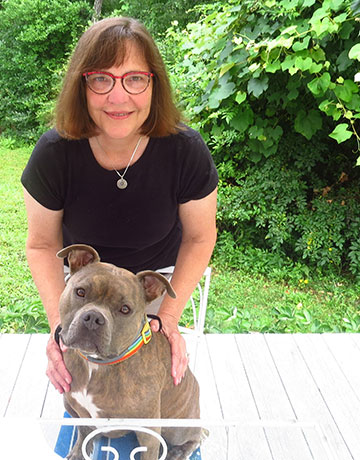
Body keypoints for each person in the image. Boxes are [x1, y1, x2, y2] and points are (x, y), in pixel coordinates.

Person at [21, 16, 218, 394]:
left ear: (153, 84)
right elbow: (42, 244)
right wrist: (57, 326)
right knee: (80, 385)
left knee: (151, 389)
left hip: (153, 284)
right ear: (82, 85)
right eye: (101, 79)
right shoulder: (54, 152)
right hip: (82, 283)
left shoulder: (185, 150)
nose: (118, 96)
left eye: (134, 79)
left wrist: (169, 318)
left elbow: (199, 238)